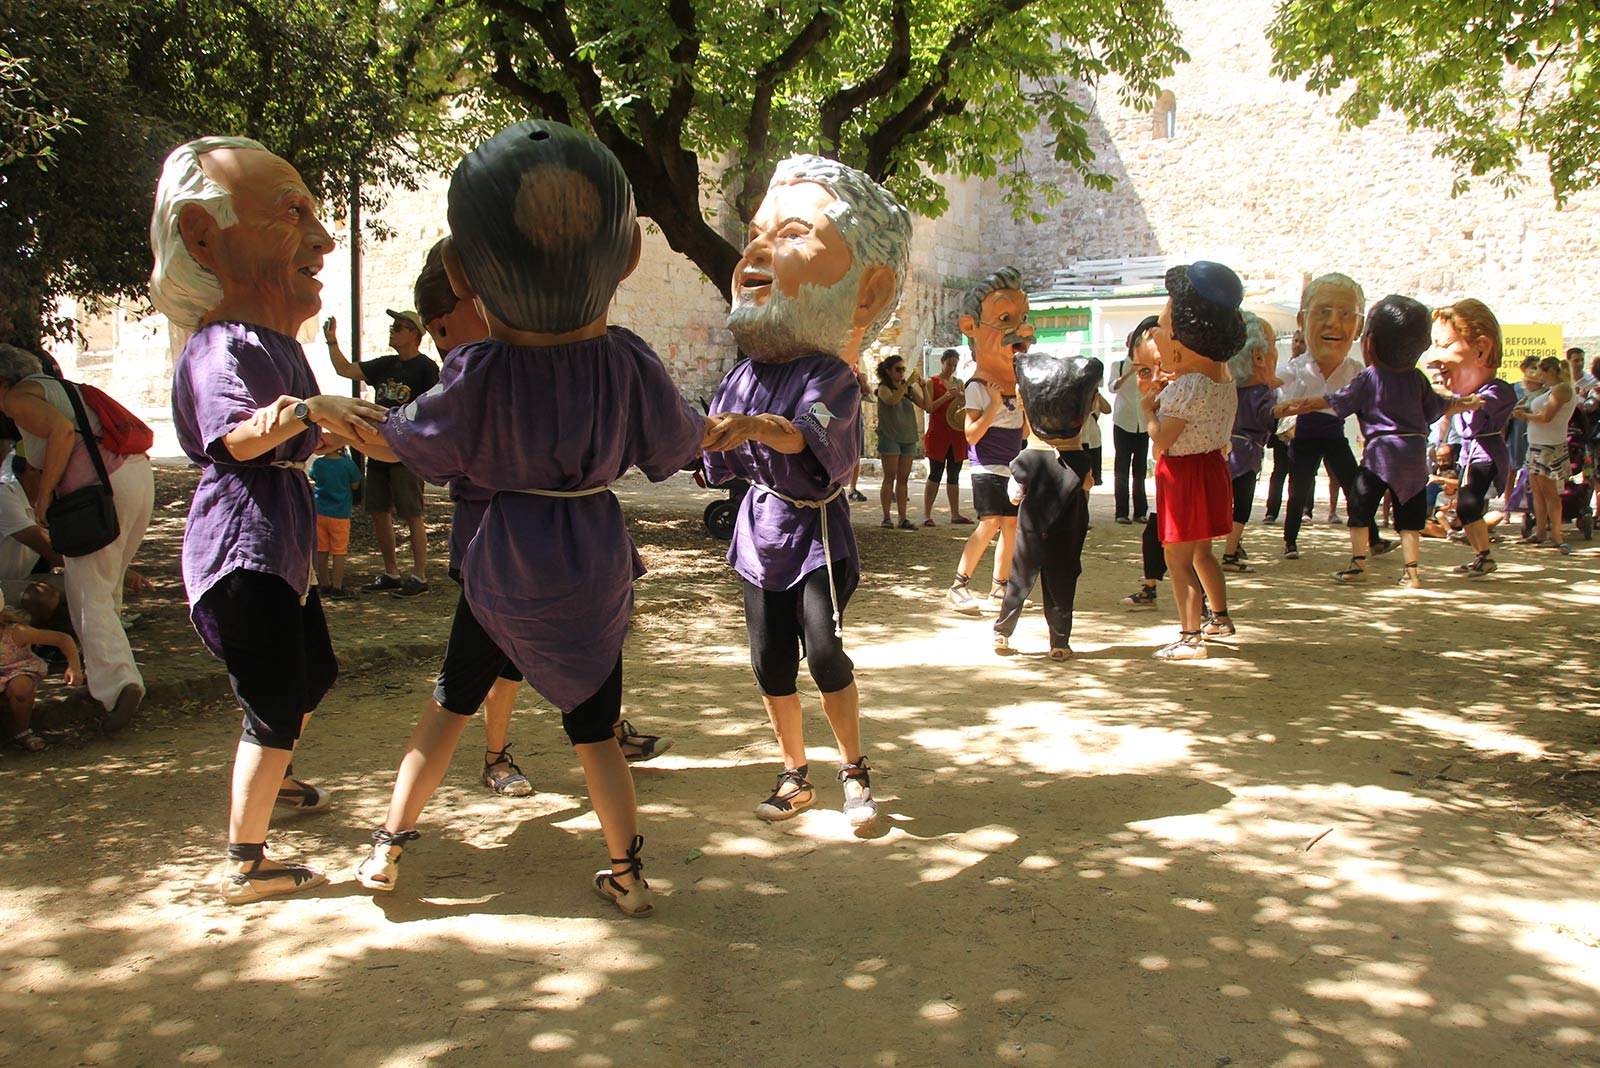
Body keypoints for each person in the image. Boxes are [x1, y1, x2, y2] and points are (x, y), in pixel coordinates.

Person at [351, 122, 704, 917]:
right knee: (595, 725)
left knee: (451, 700)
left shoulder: (479, 367)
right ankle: (628, 873)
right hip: (593, 561)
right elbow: (680, 442)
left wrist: (343, 421)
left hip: (503, 560)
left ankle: (389, 844)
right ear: (629, 255)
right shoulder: (627, 359)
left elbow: (412, 441)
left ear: (461, 271)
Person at [153, 136, 388, 903]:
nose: (322, 240)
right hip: (242, 550)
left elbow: (297, 431)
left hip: (279, 550)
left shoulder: (275, 344)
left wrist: (344, 428)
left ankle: (273, 768)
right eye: (292, 214)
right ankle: (246, 862)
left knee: (312, 673)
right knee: (275, 697)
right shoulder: (219, 346)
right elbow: (236, 436)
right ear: (202, 237)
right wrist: (308, 413)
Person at [703, 153, 912, 828]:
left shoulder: (832, 376)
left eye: (792, 234)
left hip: (814, 534)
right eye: (755, 235)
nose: (756, 252)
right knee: (769, 662)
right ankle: (795, 773)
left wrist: (752, 427)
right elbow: (708, 443)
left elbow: (804, 436)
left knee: (823, 652)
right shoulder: (742, 375)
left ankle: (854, 769)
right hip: (758, 532)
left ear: (868, 291)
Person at [0, 344, 154, 732]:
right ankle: (113, 678)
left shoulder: (18, 397)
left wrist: (45, 494)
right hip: (133, 477)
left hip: (97, 490)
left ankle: (117, 688)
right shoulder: (61, 387)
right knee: (105, 586)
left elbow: (62, 432)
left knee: (87, 592)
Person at [1287, 295, 1479, 588]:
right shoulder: (1417, 378)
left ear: (1371, 341)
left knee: (1359, 510)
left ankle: (1358, 564)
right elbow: (1438, 407)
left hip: (1380, 456)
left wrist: (1297, 405)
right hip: (1413, 457)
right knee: (1409, 518)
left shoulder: (1370, 377)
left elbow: (1335, 400)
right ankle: (1411, 573)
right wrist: (1466, 403)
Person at [1143, 262, 1244, 661]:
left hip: (1184, 474)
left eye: (1164, 330)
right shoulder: (1223, 379)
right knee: (1203, 553)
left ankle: (1190, 637)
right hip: (1211, 468)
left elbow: (1162, 440)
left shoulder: (1188, 385)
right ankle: (1220, 617)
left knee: (1178, 558)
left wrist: (1149, 412)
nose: (1158, 336)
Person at [323, 309, 437, 596]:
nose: (392, 330)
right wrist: (332, 342)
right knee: (378, 511)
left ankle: (419, 576)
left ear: (414, 333)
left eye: (398, 327)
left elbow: (432, 410)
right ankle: (391, 573)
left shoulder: (426, 368)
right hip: (375, 447)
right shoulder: (385, 364)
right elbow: (345, 370)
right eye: (392, 326)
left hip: (406, 452)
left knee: (412, 513)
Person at [1274, 275, 1388, 559]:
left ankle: (1374, 539)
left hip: (1334, 433)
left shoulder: (1355, 370)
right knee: (1298, 489)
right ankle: (1290, 541)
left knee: (1355, 488)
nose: (1334, 323)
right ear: (1303, 320)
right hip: (1306, 434)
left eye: (1346, 314)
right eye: (1323, 312)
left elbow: (1368, 408)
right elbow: (1278, 401)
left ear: (1358, 326)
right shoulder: (1294, 369)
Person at [993, 355, 1098, 660]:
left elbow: (1015, 493)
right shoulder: (1079, 459)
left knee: (1020, 578)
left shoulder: (1029, 458)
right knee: (1062, 580)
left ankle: (1003, 631)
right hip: (1069, 526)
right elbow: (1087, 484)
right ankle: (1059, 640)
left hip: (1033, 526)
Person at [947, 268, 1035, 613]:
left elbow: (1023, 435)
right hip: (986, 467)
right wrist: (995, 405)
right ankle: (959, 584)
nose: (1022, 329)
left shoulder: (1017, 388)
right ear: (971, 327)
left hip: (1010, 467)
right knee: (989, 524)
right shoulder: (978, 387)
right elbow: (970, 434)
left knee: (1011, 526)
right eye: (1005, 318)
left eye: (1023, 318)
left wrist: (1025, 410)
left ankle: (1000, 586)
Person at [1432, 299, 1517, 575]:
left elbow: (1480, 406)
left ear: (1481, 349)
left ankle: (1485, 553)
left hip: (1486, 454)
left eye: (1444, 345)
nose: (1435, 357)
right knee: (1466, 507)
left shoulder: (1498, 389)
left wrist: (1453, 399)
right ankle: (1482, 555)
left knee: (1469, 505)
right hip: (1470, 455)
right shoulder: (1462, 393)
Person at [1220, 314, 1281, 571]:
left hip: (1224, 450)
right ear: (1258, 356)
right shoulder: (1262, 392)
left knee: (1225, 502)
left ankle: (1235, 546)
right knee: (1242, 507)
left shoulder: (1226, 388)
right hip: (1245, 454)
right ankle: (1230, 554)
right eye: (1273, 345)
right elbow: (1269, 419)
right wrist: (1285, 410)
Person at [1513, 355, 1578, 554]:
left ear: (1550, 371)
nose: (1538, 375)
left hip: (1549, 446)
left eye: (1541, 371)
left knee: (1550, 494)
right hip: (1536, 445)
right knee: (1537, 492)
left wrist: (1524, 415)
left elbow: (1546, 417)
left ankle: (1556, 535)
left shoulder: (1562, 389)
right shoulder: (1549, 390)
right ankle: (1540, 532)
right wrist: (1525, 407)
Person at [0, 603, 81, 753]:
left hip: (16, 671)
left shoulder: (16, 632)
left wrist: (74, 666)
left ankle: (21, 732)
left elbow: (62, 639)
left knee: (21, 687)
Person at [1110, 318, 1157, 523]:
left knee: (1140, 470)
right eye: (1133, 342)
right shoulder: (1119, 365)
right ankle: (1121, 512)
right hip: (1123, 421)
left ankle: (1140, 511)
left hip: (1142, 424)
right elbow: (1112, 387)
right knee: (1121, 468)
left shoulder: (1149, 367)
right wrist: (1130, 372)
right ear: (1127, 344)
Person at [921, 348, 972, 526]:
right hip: (938, 433)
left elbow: (967, 404)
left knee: (954, 474)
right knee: (935, 473)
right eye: (949, 364)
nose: (951, 368)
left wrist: (961, 395)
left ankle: (955, 514)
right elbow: (929, 407)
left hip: (956, 433)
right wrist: (946, 396)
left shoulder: (959, 383)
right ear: (942, 362)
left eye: (954, 365)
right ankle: (926, 514)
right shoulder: (932, 382)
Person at [874, 353, 925, 529]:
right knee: (889, 477)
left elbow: (927, 406)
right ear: (888, 371)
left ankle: (903, 518)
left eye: (903, 369)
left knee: (903, 479)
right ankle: (886, 517)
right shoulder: (883, 388)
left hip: (908, 437)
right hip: (890, 437)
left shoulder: (907, 389)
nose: (902, 373)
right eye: (898, 369)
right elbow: (892, 401)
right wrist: (906, 385)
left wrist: (923, 388)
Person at [309, 442, 363, 598]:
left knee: (321, 550)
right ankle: (337, 587)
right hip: (340, 514)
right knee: (339, 551)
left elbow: (313, 476)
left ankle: (324, 584)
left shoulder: (318, 464)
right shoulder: (348, 464)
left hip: (320, 512)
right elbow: (355, 484)